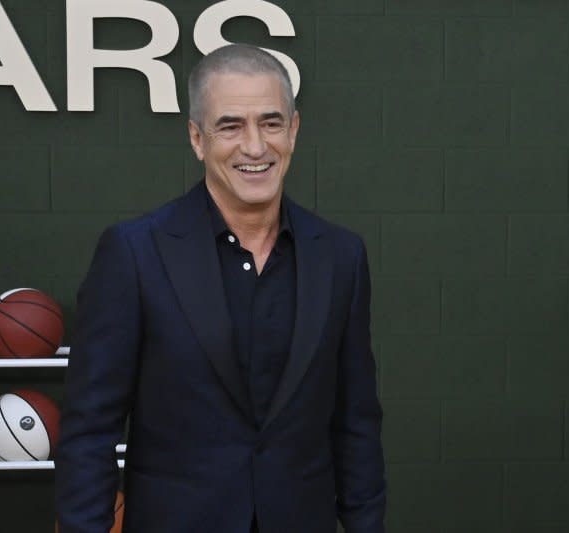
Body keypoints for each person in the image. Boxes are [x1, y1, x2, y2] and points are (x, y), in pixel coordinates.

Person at [55, 43, 386, 533]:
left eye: (271, 123)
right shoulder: (134, 253)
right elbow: (90, 431)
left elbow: (355, 425)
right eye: (231, 125)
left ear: (293, 131)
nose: (255, 146)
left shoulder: (340, 256)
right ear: (197, 139)